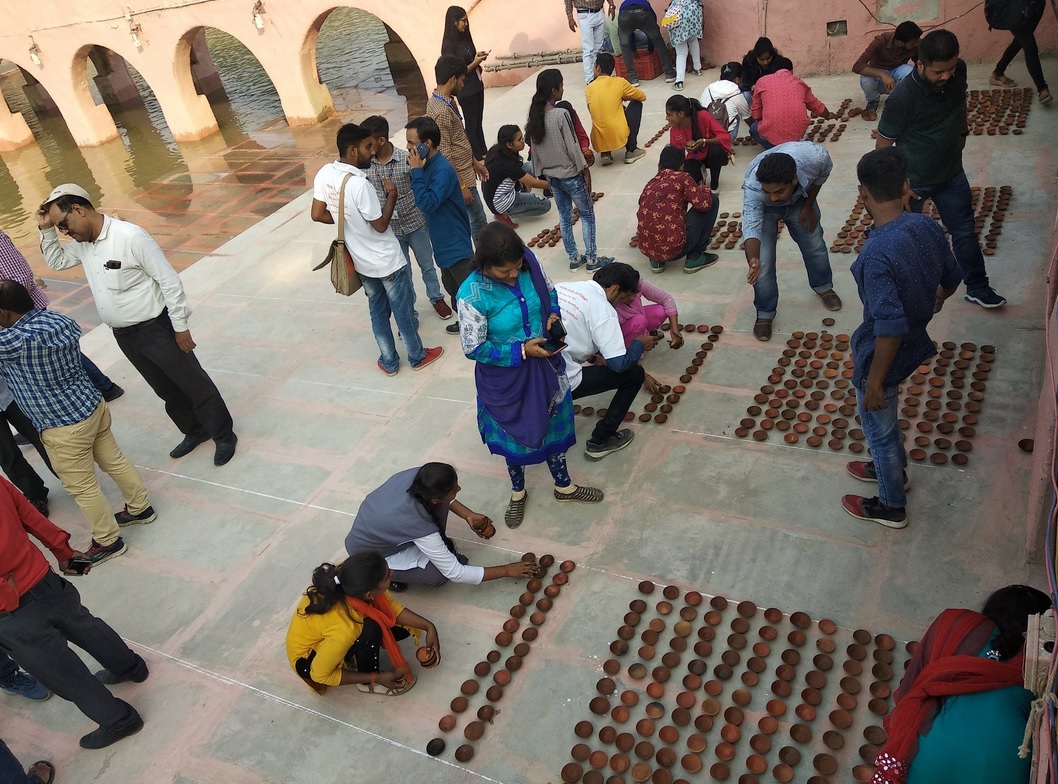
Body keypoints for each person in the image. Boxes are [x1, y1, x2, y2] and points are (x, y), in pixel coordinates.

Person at [37, 187, 237, 467]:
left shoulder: (129, 237)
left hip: (157, 328)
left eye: (63, 225)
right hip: (125, 335)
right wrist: (45, 229)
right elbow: (56, 261)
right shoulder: (84, 244)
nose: (65, 233)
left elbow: (168, 281)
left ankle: (223, 434)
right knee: (164, 388)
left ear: (79, 209)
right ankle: (195, 431)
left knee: (193, 382)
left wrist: (180, 327)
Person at [840, 148, 961, 529]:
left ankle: (891, 504)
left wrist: (874, 380)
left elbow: (888, 326)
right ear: (906, 186)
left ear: (863, 193)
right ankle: (890, 469)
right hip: (915, 342)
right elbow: (953, 277)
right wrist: (935, 300)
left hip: (884, 355)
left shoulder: (876, 254)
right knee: (886, 430)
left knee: (880, 430)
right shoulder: (926, 226)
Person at [457, 222, 603, 529]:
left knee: (553, 427)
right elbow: (474, 347)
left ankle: (563, 485)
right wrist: (522, 351)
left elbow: (548, 290)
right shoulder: (471, 295)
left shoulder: (528, 261)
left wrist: (552, 314)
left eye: (517, 268)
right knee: (516, 436)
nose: (514, 275)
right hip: (507, 381)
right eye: (504, 272)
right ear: (485, 266)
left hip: (546, 368)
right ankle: (518, 491)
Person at [0, 280, 156, 565]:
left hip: (63, 427)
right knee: (115, 460)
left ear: (4, 314)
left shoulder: (14, 342)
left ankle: (108, 541)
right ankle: (140, 508)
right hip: (91, 405)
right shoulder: (58, 320)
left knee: (83, 487)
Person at [0, 474, 148, 748]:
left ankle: (120, 720)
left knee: (63, 673)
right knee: (85, 624)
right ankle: (131, 667)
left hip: (11, 614)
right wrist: (63, 551)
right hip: (43, 577)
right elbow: (28, 514)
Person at [877, 29, 1007, 309]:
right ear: (920, 64)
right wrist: (895, 189)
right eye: (939, 71)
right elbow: (883, 147)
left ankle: (978, 286)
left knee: (964, 232)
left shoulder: (958, 70)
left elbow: (960, 103)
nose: (947, 76)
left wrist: (962, 134)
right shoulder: (903, 98)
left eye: (950, 68)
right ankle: (910, 296)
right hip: (914, 183)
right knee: (908, 242)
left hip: (951, 174)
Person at [873, 585, 1051, 783]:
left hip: (932, 751)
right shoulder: (1042, 660)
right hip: (1007, 756)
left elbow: (911, 687)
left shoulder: (957, 624)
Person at [312, 123, 444, 376]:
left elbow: (317, 214)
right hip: (386, 261)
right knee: (402, 310)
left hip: (361, 263)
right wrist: (391, 194)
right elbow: (381, 225)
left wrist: (346, 220)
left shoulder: (325, 173)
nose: (372, 152)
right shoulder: (360, 185)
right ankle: (416, 355)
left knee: (377, 312)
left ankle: (389, 360)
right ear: (352, 150)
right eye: (367, 147)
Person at [344, 463, 541, 590]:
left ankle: (421, 553)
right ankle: (390, 577)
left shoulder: (421, 476)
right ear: (435, 500)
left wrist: (468, 515)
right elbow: (456, 573)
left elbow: (441, 500)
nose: (459, 489)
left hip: (383, 530)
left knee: (436, 525)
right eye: (454, 490)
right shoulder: (416, 522)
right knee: (439, 575)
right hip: (375, 555)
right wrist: (507, 570)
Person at [285, 552, 439, 696]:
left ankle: (349, 655)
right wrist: (375, 677)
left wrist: (428, 626)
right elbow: (319, 675)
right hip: (307, 661)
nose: (391, 572)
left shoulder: (355, 580)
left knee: (401, 628)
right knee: (372, 628)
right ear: (369, 595)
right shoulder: (346, 628)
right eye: (386, 576)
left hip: (329, 638)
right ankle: (367, 684)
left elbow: (392, 609)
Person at [0, 230, 123, 402]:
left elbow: (19, 278)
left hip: (19, 312)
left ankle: (104, 387)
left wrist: (7, 310)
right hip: (7, 315)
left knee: (56, 353)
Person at [742, 143, 842, 341]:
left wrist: (808, 204)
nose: (773, 197)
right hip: (765, 212)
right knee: (764, 263)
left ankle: (823, 286)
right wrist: (753, 258)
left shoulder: (816, 158)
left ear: (794, 180)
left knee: (814, 246)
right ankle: (765, 313)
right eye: (768, 192)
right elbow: (751, 227)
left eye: (779, 192)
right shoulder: (754, 189)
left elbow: (821, 175)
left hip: (800, 201)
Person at [556, 264, 651, 461]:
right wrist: (639, 344)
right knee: (634, 375)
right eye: (624, 298)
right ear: (615, 288)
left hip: (533, 371)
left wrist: (593, 357)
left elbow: (572, 334)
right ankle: (600, 441)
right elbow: (619, 365)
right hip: (559, 380)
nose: (623, 304)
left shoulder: (565, 287)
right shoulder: (604, 309)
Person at [361, 115, 451, 322]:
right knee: (404, 272)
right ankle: (410, 312)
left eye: (370, 143)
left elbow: (423, 185)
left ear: (381, 140)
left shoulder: (407, 159)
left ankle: (436, 298)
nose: (368, 147)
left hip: (415, 223)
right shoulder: (366, 166)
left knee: (427, 265)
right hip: (391, 228)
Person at [526, 69, 613, 273]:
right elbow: (573, 147)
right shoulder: (561, 114)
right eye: (562, 85)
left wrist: (542, 173)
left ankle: (574, 258)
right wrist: (585, 169)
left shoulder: (535, 116)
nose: (563, 89)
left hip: (552, 177)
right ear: (555, 90)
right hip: (570, 175)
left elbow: (535, 151)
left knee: (564, 217)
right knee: (587, 215)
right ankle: (592, 259)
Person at [406, 115, 474, 337]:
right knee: (452, 287)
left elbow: (427, 202)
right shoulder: (428, 166)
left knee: (467, 290)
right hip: (442, 242)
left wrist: (416, 171)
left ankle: (476, 327)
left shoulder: (442, 170)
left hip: (455, 242)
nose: (408, 148)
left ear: (427, 144)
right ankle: (465, 323)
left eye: (411, 142)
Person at [427, 55, 489, 242]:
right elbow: (446, 153)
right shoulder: (441, 111)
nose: (463, 84)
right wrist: (462, 186)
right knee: (478, 221)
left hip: (465, 168)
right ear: (453, 79)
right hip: (459, 176)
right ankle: (485, 261)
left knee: (477, 220)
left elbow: (456, 140)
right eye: (462, 80)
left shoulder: (444, 100)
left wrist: (474, 162)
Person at [636, 144, 720, 274]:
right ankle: (695, 257)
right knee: (712, 200)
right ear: (682, 166)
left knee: (656, 215)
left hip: (648, 248)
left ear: (659, 165)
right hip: (675, 249)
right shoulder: (683, 178)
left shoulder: (651, 183)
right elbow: (703, 205)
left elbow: (641, 206)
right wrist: (703, 190)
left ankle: (656, 261)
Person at [0, 375, 53, 517]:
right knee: (7, 455)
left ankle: (70, 476)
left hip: (10, 391)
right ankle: (36, 495)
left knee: (42, 436)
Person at [440, 6, 490, 159]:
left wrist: (477, 57)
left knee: (478, 121)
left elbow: (469, 59)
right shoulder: (449, 45)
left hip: (476, 84)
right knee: (471, 123)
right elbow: (457, 71)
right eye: (463, 21)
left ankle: (483, 151)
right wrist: (475, 62)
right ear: (454, 22)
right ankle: (476, 156)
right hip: (465, 89)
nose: (465, 24)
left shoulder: (464, 39)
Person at [750, 57, 832, 148]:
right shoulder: (799, 83)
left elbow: (756, 115)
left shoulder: (761, 82)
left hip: (772, 135)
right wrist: (828, 115)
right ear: (791, 71)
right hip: (797, 133)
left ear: (772, 71)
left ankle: (772, 149)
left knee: (753, 128)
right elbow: (816, 105)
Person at [585, 52, 647, 166]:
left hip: (598, 141)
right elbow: (642, 97)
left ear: (598, 68)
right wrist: (624, 96)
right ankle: (631, 150)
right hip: (618, 134)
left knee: (602, 112)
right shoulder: (619, 82)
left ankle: (605, 153)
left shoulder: (589, 88)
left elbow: (593, 112)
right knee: (636, 104)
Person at [482, 125, 552, 224]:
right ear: (509, 144)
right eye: (519, 140)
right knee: (545, 205)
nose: (523, 141)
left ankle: (521, 192)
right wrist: (555, 185)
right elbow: (533, 183)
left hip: (497, 193)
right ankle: (505, 214)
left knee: (529, 166)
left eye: (522, 137)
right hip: (501, 201)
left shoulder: (498, 150)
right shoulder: (506, 164)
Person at [853, 20, 922, 120]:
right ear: (901, 42)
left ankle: (900, 98)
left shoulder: (916, 44)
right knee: (866, 80)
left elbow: (920, 64)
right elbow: (857, 66)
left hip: (896, 72)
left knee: (909, 71)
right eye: (914, 43)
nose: (917, 43)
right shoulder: (881, 41)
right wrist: (882, 75)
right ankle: (873, 100)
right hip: (878, 74)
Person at [989, 0, 1051, 105]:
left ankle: (998, 72)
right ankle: (1042, 88)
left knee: (1021, 41)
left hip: (1034, 6)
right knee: (1029, 45)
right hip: (1014, 9)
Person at [665, 94, 732, 189]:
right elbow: (676, 154)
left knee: (715, 151)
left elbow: (725, 137)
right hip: (694, 157)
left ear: (681, 114)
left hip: (711, 154)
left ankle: (714, 185)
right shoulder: (674, 129)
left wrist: (704, 142)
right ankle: (699, 178)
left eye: (669, 115)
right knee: (688, 181)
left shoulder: (703, 116)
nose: (667, 118)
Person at [612, 268, 683, 352]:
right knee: (639, 321)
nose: (631, 298)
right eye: (625, 296)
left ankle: (643, 334)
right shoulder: (610, 304)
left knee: (661, 311)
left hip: (637, 322)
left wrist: (674, 328)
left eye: (634, 294)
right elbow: (612, 334)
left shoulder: (638, 284)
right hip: (619, 332)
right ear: (615, 292)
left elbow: (666, 299)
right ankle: (630, 349)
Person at [616, 0, 676, 86]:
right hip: (643, 12)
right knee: (658, 40)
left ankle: (633, 79)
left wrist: (633, 49)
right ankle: (669, 73)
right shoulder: (645, 2)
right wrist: (650, 49)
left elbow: (630, 36)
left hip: (624, 14)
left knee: (624, 45)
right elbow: (653, 27)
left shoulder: (624, 3)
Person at [566, 0, 617, 85]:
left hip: (599, 12)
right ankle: (589, 79)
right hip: (584, 14)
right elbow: (568, 2)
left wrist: (611, 5)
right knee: (588, 49)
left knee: (599, 47)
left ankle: (597, 74)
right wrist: (570, 18)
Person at [702, 62, 753, 138]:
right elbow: (748, 118)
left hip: (705, 134)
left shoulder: (709, 88)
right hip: (723, 138)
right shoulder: (737, 94)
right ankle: (725, 146)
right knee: (737, 117)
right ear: (737, 79)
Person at [665, 0, 703, 92]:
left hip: (678, 15)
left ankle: (679, 81)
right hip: (694, 11)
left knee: (681, 52)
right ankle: (697, 68)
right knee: (693, 40)